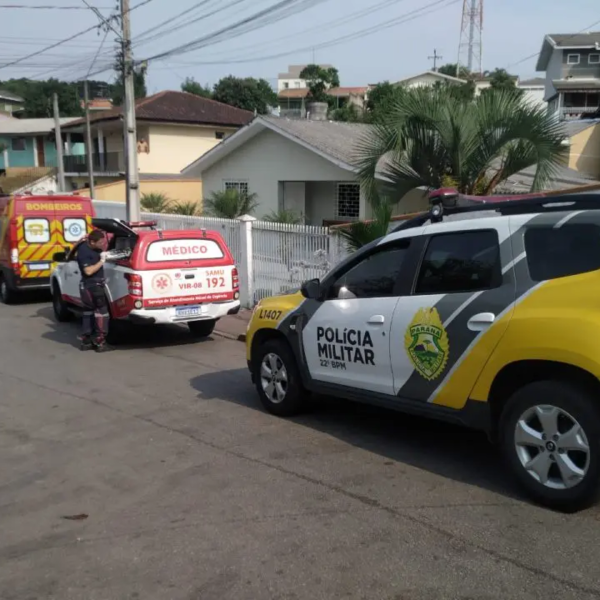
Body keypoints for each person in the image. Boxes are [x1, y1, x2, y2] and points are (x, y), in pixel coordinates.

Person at [77, 229, 111, 352]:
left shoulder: (88, 246)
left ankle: (86, 340)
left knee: (88, 312)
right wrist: (102, 261)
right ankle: (100, 341)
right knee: (102, 312)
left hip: (88, 286)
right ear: (92, 242)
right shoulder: (84, 252)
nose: (103, 244)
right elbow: (88, 271)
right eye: (100, 242)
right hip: (92, 286)